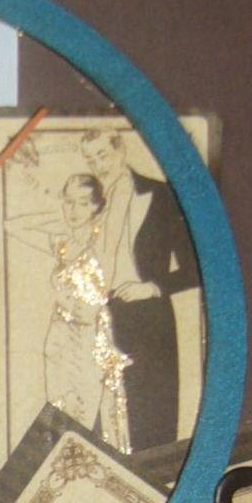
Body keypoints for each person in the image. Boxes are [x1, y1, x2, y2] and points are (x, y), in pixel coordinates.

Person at [78, 128, 198, 449]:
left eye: (103, 155)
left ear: (121, 150)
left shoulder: (162, 195)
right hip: (100, 320)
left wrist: (152, 287)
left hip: (148, 319)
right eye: (91, 159)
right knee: (102, 424)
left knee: (150, 426)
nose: (98, 165)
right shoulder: (88, 203)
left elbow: (196, 267)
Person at [7, 173, 133, 452]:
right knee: (58, 416)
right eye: (69, 202)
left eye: (83, 203)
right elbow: (12, 225)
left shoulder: (104, 244)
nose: (74, 210)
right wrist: (57, 216)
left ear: (97, 207)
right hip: (58, 338)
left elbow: (123, 191)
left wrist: (85, 217)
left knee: (84, 418)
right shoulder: (62, 245)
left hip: (89, 340)